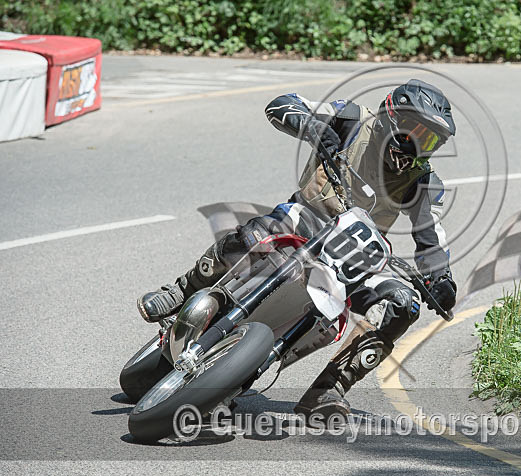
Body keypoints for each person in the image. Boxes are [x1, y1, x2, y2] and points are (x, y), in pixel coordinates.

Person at [137, 79, 458, 418]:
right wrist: (313, 127)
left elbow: (432, 238)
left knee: (403, 304)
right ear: (392, 117)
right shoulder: (351, 119)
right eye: (415, 132)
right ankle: (181, 290)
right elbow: (282, 104)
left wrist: (440, 278)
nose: (419, 146)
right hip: (303, 222)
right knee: (255, 233)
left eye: (430, 140)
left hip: (354, 261)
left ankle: (327, 390)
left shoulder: (424, 182)